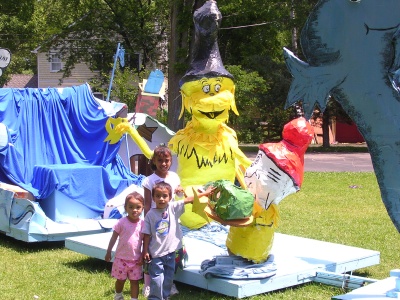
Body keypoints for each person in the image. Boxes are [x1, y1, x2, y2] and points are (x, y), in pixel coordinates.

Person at [142, 181, 215, 300]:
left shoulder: (172, 207)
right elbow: (146, 234)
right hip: (156, 254)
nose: (161, 199)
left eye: (164, 196)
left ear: (170, 197)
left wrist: (205, 193)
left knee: (168, 278)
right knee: (156, 279)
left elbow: (189, 199)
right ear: (153, 198)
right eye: (158, 196)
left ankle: (165, 296)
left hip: (171, 253)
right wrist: (145, 251)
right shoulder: (150, 215)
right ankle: (154, 298)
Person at [141, 145, 184, 297]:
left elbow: (178, 197)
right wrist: (147, 225)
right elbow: (147, 204)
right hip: (155, 222)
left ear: (171, 161)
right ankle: (148, 285)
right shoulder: (149, 180)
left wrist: (180, 192)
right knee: (153, 255)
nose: (163, 163)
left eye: (167, 160)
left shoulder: (174, 177)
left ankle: (169, 283)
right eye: (160, 160)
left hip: (171, 220)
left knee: (171, 252)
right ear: (154, 161)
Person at [105, 192, 145, 300]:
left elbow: (146, 241)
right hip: (121, 259)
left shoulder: (143, 224)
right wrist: (108, 251)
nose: (134, 210)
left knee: (135, 282)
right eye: (131, 207)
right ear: (125, 208)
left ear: (142, 208)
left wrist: (143, 254)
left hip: (136, 260)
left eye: (138, 207)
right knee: (120, 280)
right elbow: (113, 238)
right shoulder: (121, 222)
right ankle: (118, 295)